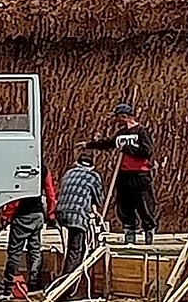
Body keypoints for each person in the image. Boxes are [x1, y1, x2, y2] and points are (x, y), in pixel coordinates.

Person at [85, 103, 156, 244]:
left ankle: (149, 232)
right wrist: (89, 145)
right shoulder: (121, 134)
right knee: (125, 206)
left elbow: (147, 151)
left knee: (144, 205)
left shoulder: (141, 131)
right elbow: (109, 143)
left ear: (124, 116)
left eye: (118, 117)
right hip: (123, 174)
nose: (116, 121)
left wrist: (128, 149)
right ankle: (129, 234)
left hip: (139, 175)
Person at [0, 166, 57, 300]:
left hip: (22, 216)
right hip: (37, 215)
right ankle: (33, 284)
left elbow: (16, 195)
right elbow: (50, 191)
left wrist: (6, 215)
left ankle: (7, 288)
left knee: (14, 252)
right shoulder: (43, 168)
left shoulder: (21, 166)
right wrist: (51, 213)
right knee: (35, 250)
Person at [55, 152, 104, 288]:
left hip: (61, 212)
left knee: (72, 247)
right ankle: (67, 287)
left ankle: (65, 282)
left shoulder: (68, 173)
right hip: (77, 215)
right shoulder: (93, 176)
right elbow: (99, 199)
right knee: (76, 250)